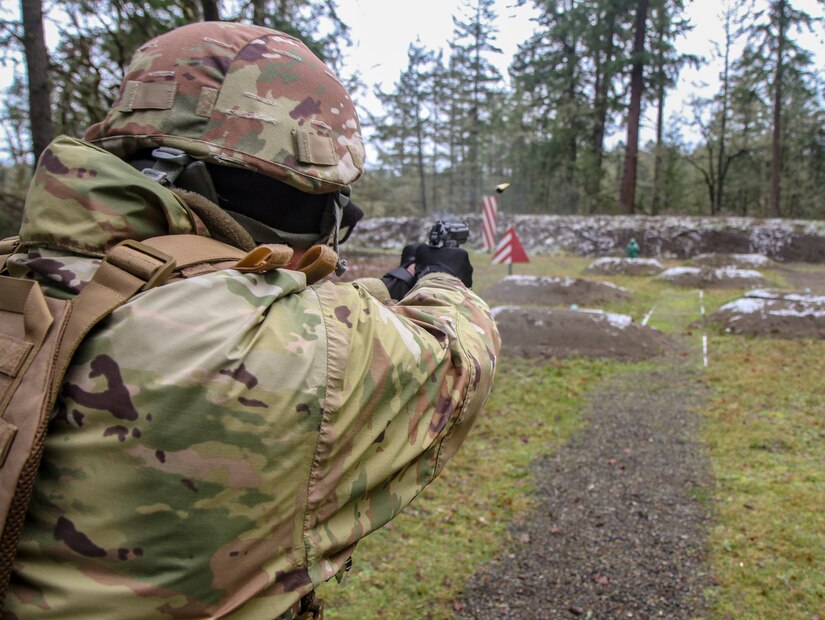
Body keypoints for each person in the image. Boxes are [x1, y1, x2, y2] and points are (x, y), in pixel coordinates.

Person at [1, 22, 499, 619]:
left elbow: (195, 292)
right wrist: (444, 281)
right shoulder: (287, 351)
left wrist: (384, 289)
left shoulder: (25, 272)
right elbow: (459, 357)